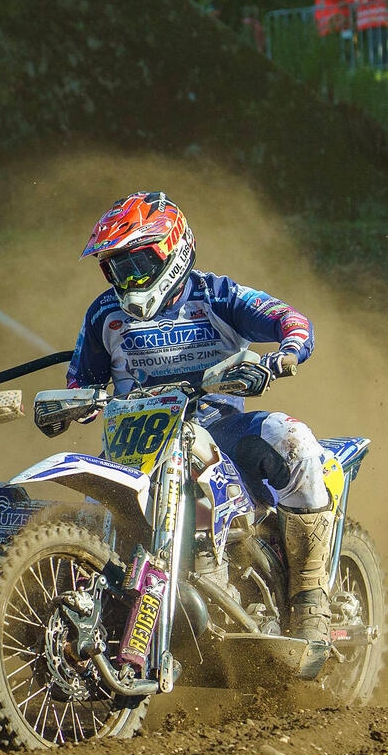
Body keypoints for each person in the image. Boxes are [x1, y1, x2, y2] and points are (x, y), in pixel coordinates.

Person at [71, 191, 333, 644]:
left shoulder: (217, 296)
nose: (127, 279)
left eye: (137, 264)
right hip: (138, 442)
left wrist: (283, 356)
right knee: (88, 516)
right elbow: (83, 381)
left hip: (221, 429)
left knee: (295, 441)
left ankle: (309, 596)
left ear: (173, 250)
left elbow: (289, 319)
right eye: (116, 268)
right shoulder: (104, 314)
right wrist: (77, 403)